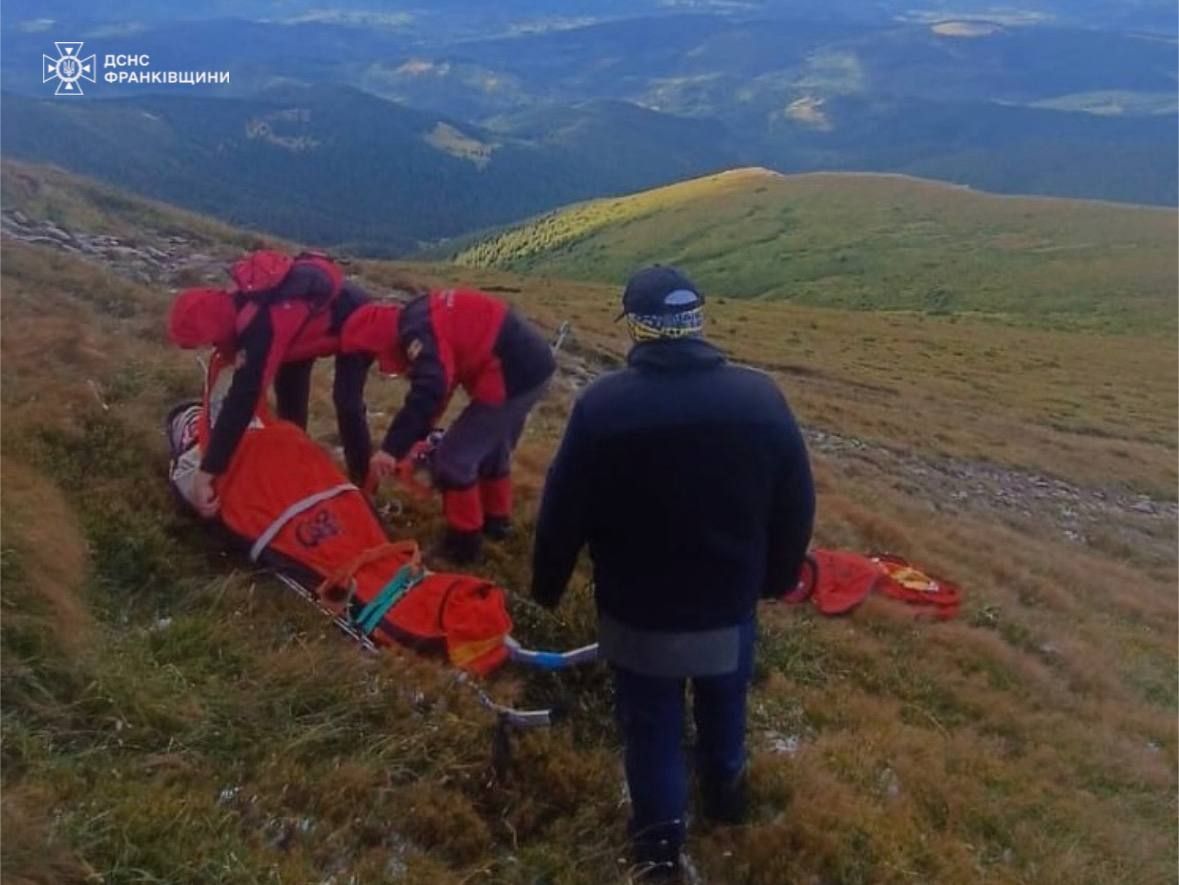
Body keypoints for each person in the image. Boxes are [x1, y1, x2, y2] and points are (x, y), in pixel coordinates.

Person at [530, 266, 815, 879]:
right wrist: (775, 579)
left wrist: (546, 588)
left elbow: (561, 509)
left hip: (638, 609)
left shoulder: (603, 407)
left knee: (651, 725)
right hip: (727, 602)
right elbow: (797, 503)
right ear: (698, 321)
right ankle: (727, 800)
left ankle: (659, 850)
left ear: (636, 327)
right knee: (723, 702)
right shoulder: (761, 399)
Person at [341, 286, 555, 564]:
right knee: (490, 450)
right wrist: (416, 436)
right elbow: (442, 382)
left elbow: (431, 388)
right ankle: (496, 523)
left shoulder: (416, 336)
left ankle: (463, 545)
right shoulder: (416, 315)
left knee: (454, 461)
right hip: (529, 364)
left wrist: (391, 449)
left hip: (512, 373)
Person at [167, 249, 373, 517]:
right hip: (304, 329)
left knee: (347, 402)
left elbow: (244, 397)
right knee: (290, 402)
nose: (206, 346)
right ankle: (295, 465)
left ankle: (365, 481)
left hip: (357, 317)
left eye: (202, 340)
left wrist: (208, 471)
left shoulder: (264, 326)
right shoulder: (232, 302)